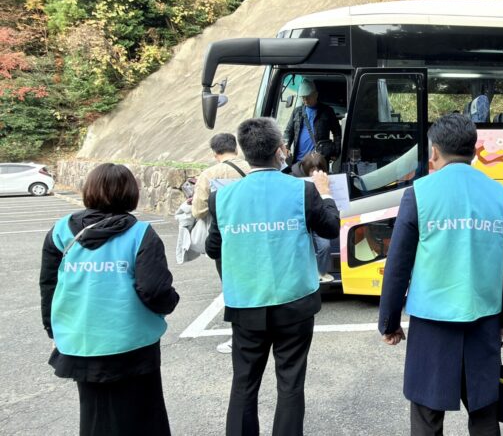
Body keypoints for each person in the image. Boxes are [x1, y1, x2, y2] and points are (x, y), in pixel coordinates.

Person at [378, 113, 503, 436]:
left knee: (427, 420)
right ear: (474, 150)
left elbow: (398, 265)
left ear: (434, 152)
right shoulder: (501, 196)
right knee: (485, 416)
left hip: (432, 328)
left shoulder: (419, 193)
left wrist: (389, 322)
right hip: (483, 324)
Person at [206, 118, 339, 436]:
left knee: (244, 384)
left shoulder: (222, 198)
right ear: (281, 150)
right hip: (295, 303)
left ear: (244, 151)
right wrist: (326, 194)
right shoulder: (303, 190)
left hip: (246, 303)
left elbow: (213, 248)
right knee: (291, 384)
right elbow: (331, 227)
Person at [39, 163, 180, 436]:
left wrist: (53, 327)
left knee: (94, 414)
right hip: (133, 340)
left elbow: (49, 285)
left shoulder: (61, 232)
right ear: (131, 193)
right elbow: (154, 289)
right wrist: (170, 303)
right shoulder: (140, 234)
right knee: (143, 413)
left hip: (81, 339)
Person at [192, 133, 249, 354]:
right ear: (235, 147)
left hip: (226, 239)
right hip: (255, 234)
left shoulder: (210, 174)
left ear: (215, 153)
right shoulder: (252, 167)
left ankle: (239, 336)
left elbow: (198, 210)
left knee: (232, 287)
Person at [291, 151, 333, 282]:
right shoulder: (293, 176)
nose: (314, 172)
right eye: (312, 169)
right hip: (300, 217)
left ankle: (321, 272)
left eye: (318, 169)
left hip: (318, 215)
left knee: (325, 245)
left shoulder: (325, 178)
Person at [283, 79, 341, 166]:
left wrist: (336, 151)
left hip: (319, 162)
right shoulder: (297, 112)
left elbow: (337, 132)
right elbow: (288, 131)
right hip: (299, 162)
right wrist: (286, 145)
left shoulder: (327, 111)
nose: (305, 100)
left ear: (316, 94)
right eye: (303, 97)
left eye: (308, 96)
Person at [192, 133, 249, 220]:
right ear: (236, 150)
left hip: (222, 226)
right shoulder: (252, 168)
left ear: (215, 153)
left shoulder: (208, 174)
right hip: (251, 221)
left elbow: (198, 212)